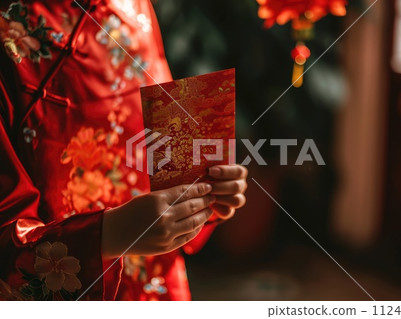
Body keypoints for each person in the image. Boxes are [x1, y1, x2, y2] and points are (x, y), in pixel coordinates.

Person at [0, 0, 247, 301]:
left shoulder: (136, 6)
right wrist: (110, 234)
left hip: (157, 283)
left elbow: (165, 150)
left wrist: (204, 192)